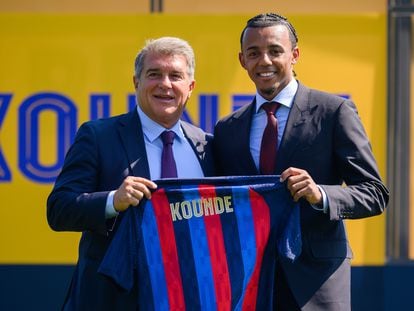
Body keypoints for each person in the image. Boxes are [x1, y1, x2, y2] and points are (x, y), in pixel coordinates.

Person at [213, 13, 389, 311]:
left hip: (316, 286)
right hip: (248, 285)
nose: (264, 61)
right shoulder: (227, 128)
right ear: (242, 61)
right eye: (254, 53)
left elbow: (374, 193)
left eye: (275, 51)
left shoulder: (334, 111)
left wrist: (319, 193)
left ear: (295, 55)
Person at [47, 36, 214, 310]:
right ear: (136, 82)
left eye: (175, 75)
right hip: (113, 300)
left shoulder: (209, 146)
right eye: (154, 74)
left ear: (190, 86)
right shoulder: (98, 136)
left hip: (189, 296)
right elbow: (59, 209)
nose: (165, 84)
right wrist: (113, 200)